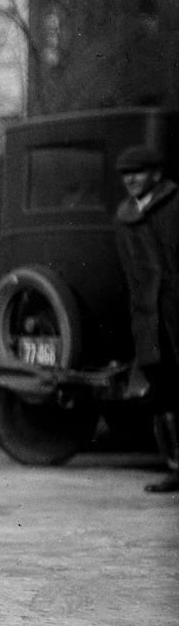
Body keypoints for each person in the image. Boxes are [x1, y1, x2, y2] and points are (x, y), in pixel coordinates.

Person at [113, 145, 179, 493]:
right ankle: (175, 468)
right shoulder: (124, 216)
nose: (131, 180)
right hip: (150, 321)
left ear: (156, 174)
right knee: (164, 395)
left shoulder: (174, 206)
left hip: (174, 311)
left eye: (138, 172)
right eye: (126, 175)